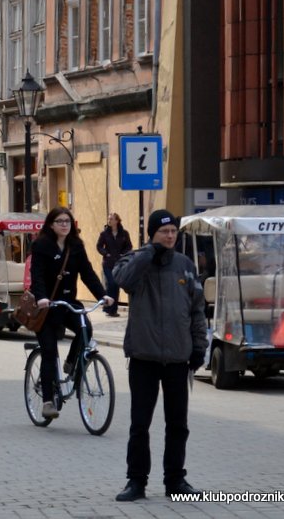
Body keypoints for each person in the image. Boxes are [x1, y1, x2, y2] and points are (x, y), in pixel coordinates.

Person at [112, 209, 207, 501]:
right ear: (152, 234)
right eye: (164, 231)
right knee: (140, 424)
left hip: (178, 358)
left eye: (173, 231)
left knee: (178, 425)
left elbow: (197, 309)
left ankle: (175, 480)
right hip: (144, 356)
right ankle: (136, 481)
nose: (169, 236)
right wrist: (148, 254)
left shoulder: (185, 265)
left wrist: (199, 346)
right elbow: (122, 279)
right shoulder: (136, 260)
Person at [31, 207, 113, 420]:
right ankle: (48, 402)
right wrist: (41, 297)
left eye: (67, 221)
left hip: (68, 303)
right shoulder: (41, 245)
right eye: (59, 221)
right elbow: (36, 275)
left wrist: (102, 295)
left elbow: (87, 273)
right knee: (49, 352)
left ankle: (70, 362)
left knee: (86, 329)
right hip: (47, 307)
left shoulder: (75, 246)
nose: (64, 225)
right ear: (51, 224)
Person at [96, 212, 133, 317]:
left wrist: (123, 254)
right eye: (108, 219)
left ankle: (113, 310)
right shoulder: (104, 234)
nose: (109, 221)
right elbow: (99, 246)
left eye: (111, 219)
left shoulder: (124, 233)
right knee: (111, 283)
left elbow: (129, 246)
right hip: (108, 263)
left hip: (119, 263)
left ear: (117, 221)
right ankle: (108, 307)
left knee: (115, 285)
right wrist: (105, 253)